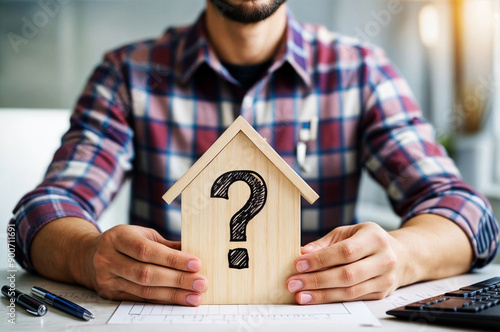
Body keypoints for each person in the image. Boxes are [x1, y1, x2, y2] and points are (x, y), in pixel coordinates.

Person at [10, 0, 499, 307]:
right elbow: (40, 214)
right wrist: (87, 254)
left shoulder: (361, 72)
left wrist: (402, 255)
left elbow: (467, 212)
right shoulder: (128, 74)